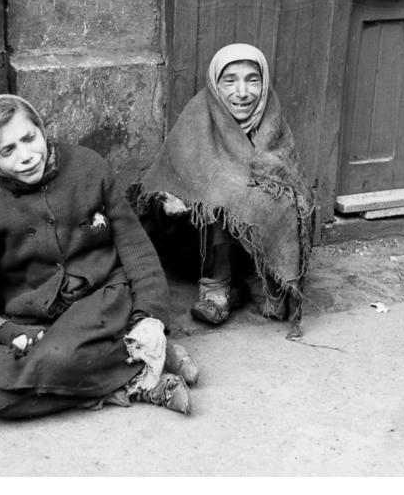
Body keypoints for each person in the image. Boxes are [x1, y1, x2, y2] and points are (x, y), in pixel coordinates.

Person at [0, 94, 198, 419]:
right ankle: (139, 370)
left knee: (59, 357)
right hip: (38, 324)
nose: (26, 156)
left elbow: (136, 248)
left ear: (42, 129)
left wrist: (149, 318)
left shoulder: (88, 167)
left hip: (106, 301)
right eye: (7, 150)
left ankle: (140, 369)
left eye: (29, 138)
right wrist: (2, 331)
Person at [130, 43, 313, 338]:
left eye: (252, 80)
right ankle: (216, 283)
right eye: (230, 81)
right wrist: (176, 198)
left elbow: (289, 176)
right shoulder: (198, 117)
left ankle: (261, 275)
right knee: (222, 196)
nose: (242, 93)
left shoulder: (271, 119)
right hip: (196, 241)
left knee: (279, 198)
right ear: (215, 84)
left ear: (264, 83)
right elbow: (173, 176)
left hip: (252, 233)